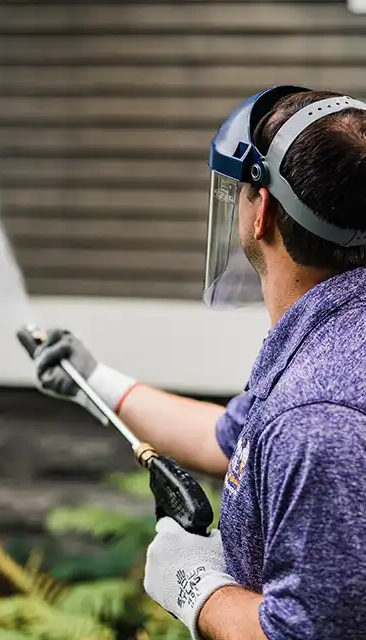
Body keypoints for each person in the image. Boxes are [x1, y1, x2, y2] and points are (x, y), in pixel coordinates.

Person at [19, 86, 366, 639]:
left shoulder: (317, 417)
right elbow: (233, 439)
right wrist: (95, 381)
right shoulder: (332, 342)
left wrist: (197, 589)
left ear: (263, 214)